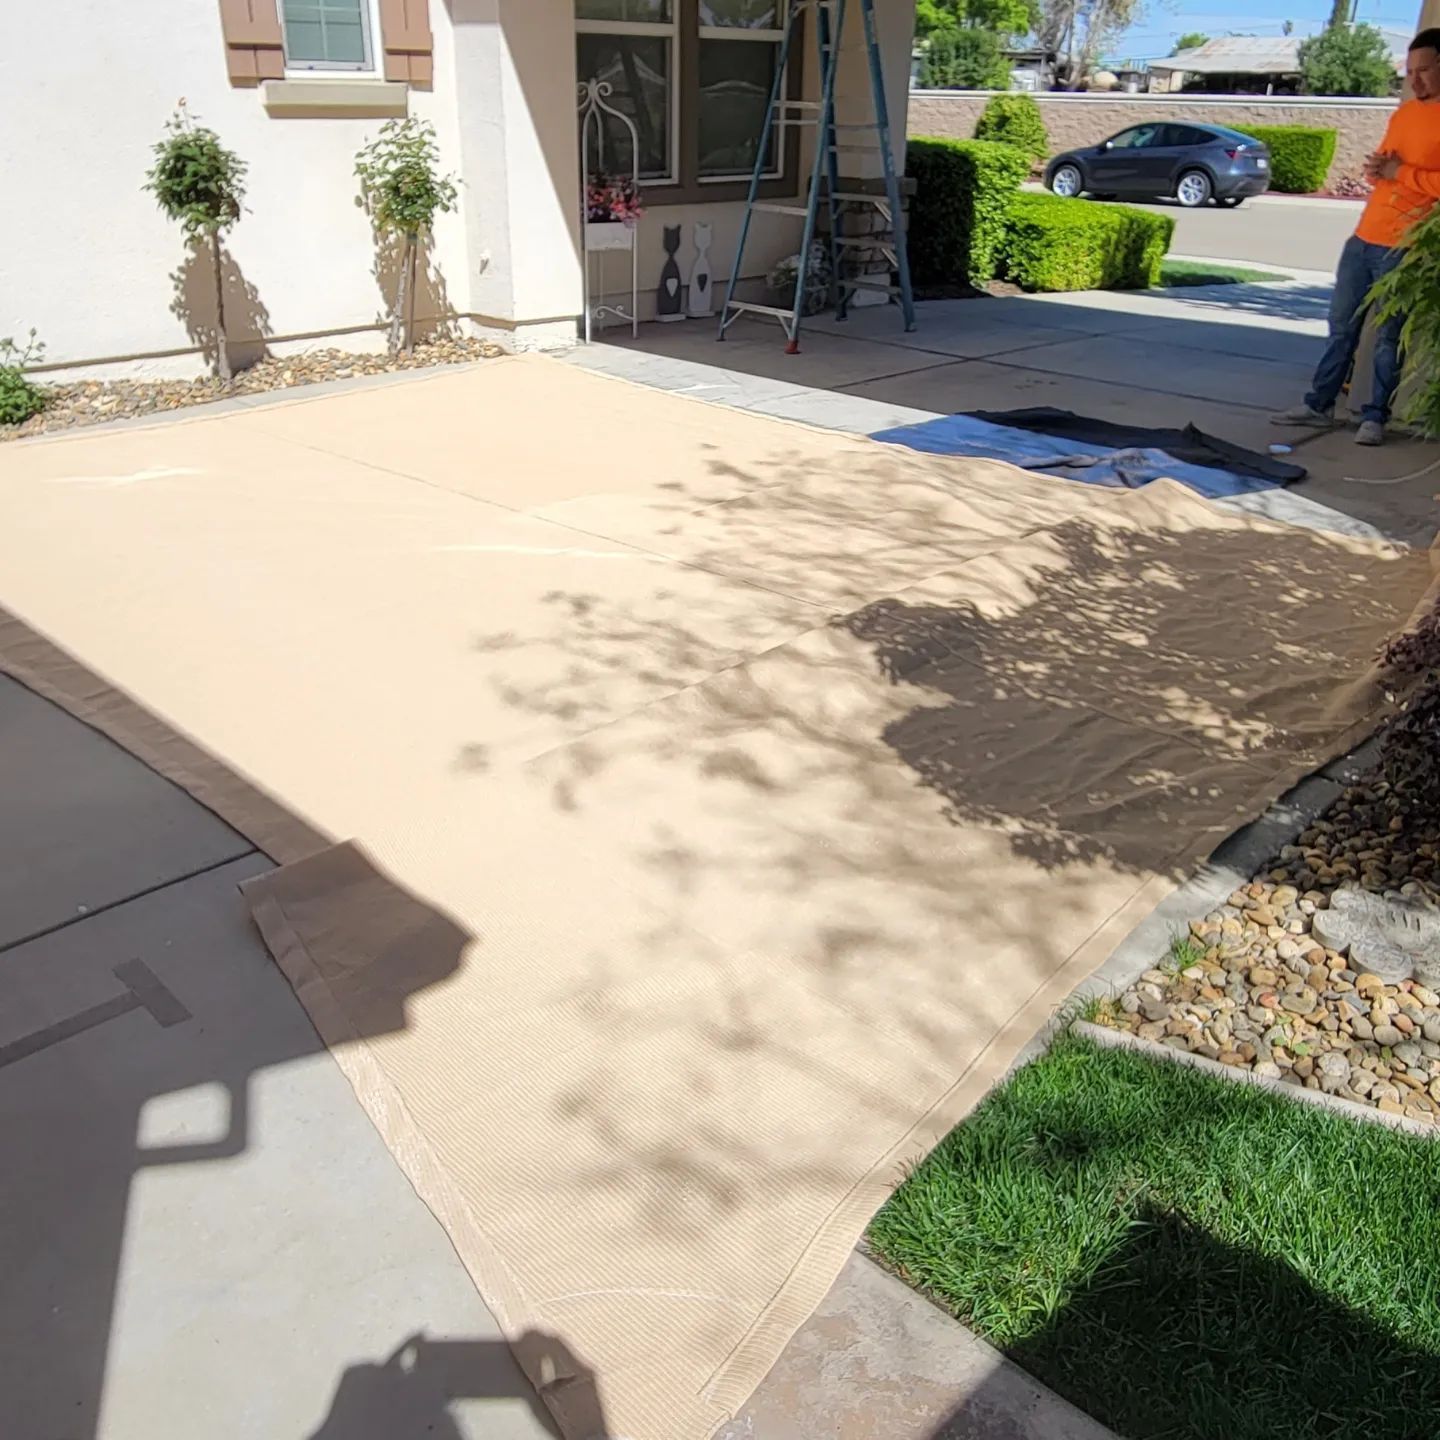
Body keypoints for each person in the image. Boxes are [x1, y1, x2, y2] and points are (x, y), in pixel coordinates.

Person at [1272, 29, 1440, 446]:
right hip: (1365, 234)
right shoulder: (1404, 115)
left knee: (1388, 336)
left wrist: (1398, 173)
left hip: (1406, 245)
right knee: (1340, 326)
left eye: (1424, 71)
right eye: (1410, 71)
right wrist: (1378, 168)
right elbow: (1387, 163)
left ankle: (1375, 417)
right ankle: (1318, 405)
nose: (1415, 81)